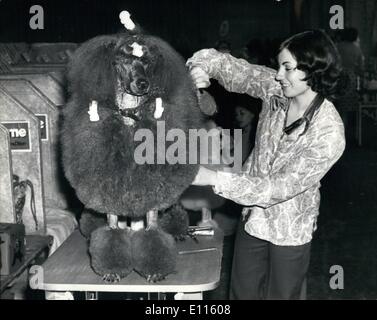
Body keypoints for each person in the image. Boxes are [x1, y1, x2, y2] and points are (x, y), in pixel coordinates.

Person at [186, 29, 345, 300]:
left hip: (289, 230)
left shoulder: (329, 133)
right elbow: (234, 68)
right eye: (279, 66)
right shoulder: (277, 89)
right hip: (253, 220)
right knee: (242, 293)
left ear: (314, 70)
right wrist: (200, 67)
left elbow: (277, 188)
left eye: (287, 68)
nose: (278, 75)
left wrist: (213, 178)